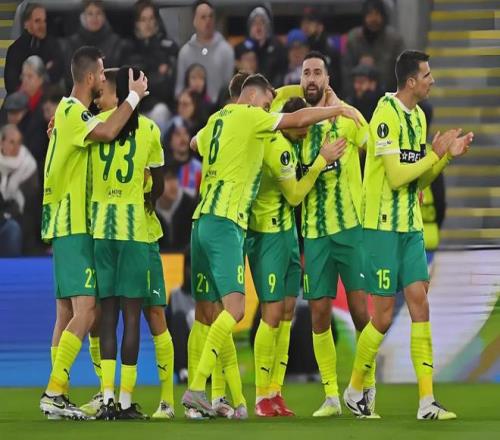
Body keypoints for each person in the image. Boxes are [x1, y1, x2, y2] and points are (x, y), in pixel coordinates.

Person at [181, 72, 362, 418]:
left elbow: (193, 144)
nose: (268, 110)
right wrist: (336, 110)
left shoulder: (217, 119)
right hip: (236, 226)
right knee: (240, 311)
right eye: (266, 103)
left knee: (218, 312)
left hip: (204, 220)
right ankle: (206, 388)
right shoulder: (256, 121)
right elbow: (296, 122)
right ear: (252, 98)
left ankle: (231, 399)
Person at [343, 50, 473, 420]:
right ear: (411, 81)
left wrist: (447, 157)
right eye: (427, 75)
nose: (432, 81)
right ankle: (354, 389)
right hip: (382, 228)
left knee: (420, 303)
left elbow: (419, 179)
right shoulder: (385, 114)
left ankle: (427, 401)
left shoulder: (418, 117)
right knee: (383, 317)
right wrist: (434, 154)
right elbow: (398, 175)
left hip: (410, 227)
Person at [38, 46, 148, 420]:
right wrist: (134, 96)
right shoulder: (73, 113)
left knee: (67, 312)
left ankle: (60, 393)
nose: (104, 79)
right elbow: (109, 129)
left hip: (62, 222)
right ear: (89, 78)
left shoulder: (68, 114)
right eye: (101, 74)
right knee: (87, 311)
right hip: (73, 223)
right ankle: (54, 390)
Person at [283, 51, 373, 418]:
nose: (311, 79)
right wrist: (321, 159)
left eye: (317, 72)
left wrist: (343, 107)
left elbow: (372, 146)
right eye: (306, 73)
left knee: (361, 313)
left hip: (350, 229)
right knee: (319, 314)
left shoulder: (348, 116)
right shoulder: (297, 126)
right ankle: (332, 396)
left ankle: (365, 390)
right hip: (315, 234)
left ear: (328, 79)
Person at [247, 95, 346, 417]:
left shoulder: (289, 141)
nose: (305, 133)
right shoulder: (277, 144)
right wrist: (321, 161)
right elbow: (294, 195)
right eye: (302, 126)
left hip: (288, 235)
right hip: (267, 235)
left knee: (288, 313)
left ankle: (275, 391)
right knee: (272, 314)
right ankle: (261, 395)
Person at [123, 0, 178, 113]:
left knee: (160, 111)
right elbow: (130, 85)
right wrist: (157, 75)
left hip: (161, 106)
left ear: (156, 21)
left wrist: (147, 79)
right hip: (135, 108)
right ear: (136, 23)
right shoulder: (128, 49)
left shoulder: (169, 48)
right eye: (143, 20)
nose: (148, 24)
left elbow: (168, 87)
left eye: (151, 18)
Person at [175, 1, 234, 103]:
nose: (208, 21)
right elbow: (179, 88)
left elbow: (229, 87)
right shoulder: (185, 52)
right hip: (193, 107)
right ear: (194, 21)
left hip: (220, 107)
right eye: (203, 17)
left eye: (211, 16)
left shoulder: (226, 50)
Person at [343, 0, 405, 95]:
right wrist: (361, 68)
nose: (373, 19)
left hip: (388, 95)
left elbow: (403, 71)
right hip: (358, 96)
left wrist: (375, 67)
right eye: (370, 14)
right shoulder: (353, 38)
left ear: (383, 16)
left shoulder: (395, 40)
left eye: (377, 14)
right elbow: (346, 71)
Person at [63, 1, 126, 88]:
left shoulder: (116, 43)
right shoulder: (72, 44)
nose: (94, 18)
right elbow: (69, 76)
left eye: (98, 13)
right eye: (90, 14)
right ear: (83, 17)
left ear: (104, 16)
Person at [4, 3, 63, 95]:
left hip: (48, 99)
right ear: (26, 24)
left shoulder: (54, 46)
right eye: (37, 21)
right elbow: (11, 84)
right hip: (22, 99)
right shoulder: (15, 49)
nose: (42, 25)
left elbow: (57, 75)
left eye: (44, 21)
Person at [0, 124, 39, 255]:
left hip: (18, 218)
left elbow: (30, 203)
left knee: (13, 229)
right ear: (1, 142)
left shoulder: (29, 166)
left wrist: (9, 213)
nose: (16, 147)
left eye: (18, 142)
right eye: (11, 142)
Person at [156, 167, 197, 252]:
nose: (173, 184)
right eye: (167, 179)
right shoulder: (149, 209)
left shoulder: (190, 205)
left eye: (174, 178)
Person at [300, 10, 342, 94]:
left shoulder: (330, 50)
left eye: (310, 23)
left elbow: (337, 80)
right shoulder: (301, 48)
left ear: (320, 27)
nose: (305, 26)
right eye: (304, 23)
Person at [246, 6, 287, 86]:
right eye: (255, 23)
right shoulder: (242, 49)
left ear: (268, 27)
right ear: (250, 28)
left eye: (262, 22)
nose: (258, 26)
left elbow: (282, 73)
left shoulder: (277, 47)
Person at [163, 116, 201, 197]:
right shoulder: (162, 169)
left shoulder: (199, 168)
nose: (183, 138)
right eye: (177, 134)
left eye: (186, 133)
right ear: (169, 140)